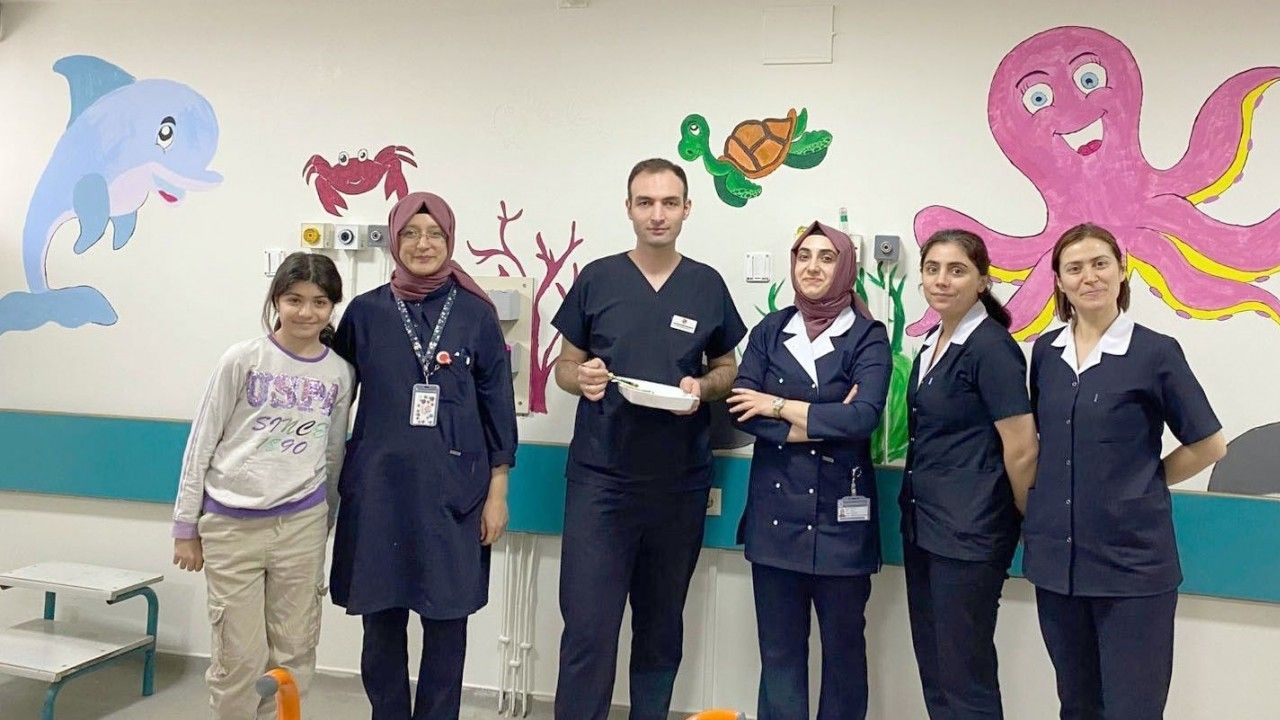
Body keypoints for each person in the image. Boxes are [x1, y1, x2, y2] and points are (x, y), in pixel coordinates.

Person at [551, 158, 747, 720]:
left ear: (687, 209)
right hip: (601, 482)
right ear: (629, 208)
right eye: (645, 202)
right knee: (588, 628)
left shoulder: (706, 285)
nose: (657, 214)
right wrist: (583, 378)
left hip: (678, 485)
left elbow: (728, 368)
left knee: (661, 628)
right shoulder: (598, 279)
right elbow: (565, 366)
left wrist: (703, 387)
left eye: (668, 203)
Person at [1025, 223, 1226, 720]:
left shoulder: (1155, 352)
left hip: (1133, 568)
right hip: (1059, 567)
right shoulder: (1045, 353)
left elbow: (1209, 444)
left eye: (1100, 264)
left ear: (1122, 270)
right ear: (1060, 282)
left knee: (1132, 709)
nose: (1089, 277)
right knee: (1077, 705)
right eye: (1074, 268)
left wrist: (1146, 480)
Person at [328, 192, 517, 720]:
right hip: (379, 492)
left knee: (447, 624)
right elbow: (331, 392)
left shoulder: (476, 314)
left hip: (455, 494)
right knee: (380, 623)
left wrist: (497, 494)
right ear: (394, 239)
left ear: (450, 240)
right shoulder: (365, 313)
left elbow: (498, 410)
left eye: (434, 233)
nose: (423, 244)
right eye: (410, 233)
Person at [172, 251, 353, 719]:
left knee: (294, 652)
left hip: (302, 526)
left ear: (332, 307)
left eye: (319, 302)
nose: (306, 312)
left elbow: (333, 454)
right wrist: (185, 526)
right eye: (294, 300)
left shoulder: (339, 372)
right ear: (276, 300)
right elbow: (201, 442)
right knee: (238, 658)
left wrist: (325, 523)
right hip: (231, 527)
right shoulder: (243, 359)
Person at [727, 221, 890, 720]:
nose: (813, 267)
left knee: (844, 656)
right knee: (778, 655)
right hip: (774, 522)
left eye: (826, 257)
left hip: (843, 524)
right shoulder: (770, 330)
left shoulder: (868, 336)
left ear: (845, 267)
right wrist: (825, 420)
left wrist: (777, 405)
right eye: (804, 256)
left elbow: (863, 418)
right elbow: (741, 409)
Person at [899, 229, 1038, 719]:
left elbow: (1022, 449)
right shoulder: (933, 343)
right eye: (932, 269)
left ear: (982, 281)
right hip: (925, 527)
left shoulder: (991, 348)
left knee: (965, 676)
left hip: (970, 533)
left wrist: (1025, 519)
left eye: (957, 270)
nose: (942, 280)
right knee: (936, 668)